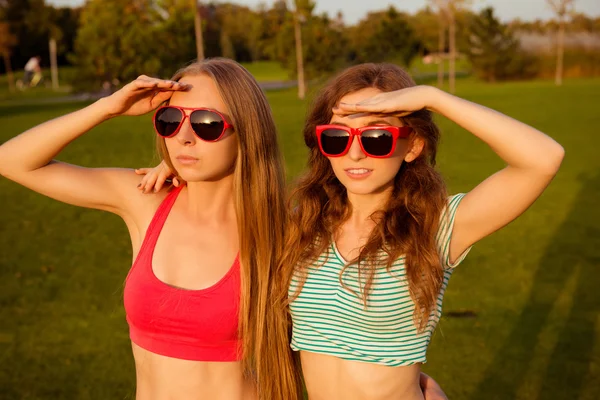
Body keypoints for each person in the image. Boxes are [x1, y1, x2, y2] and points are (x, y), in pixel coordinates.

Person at [0, 58, 301, 400]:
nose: (184, 138)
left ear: (248, 129)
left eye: (206, 123)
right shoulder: (145, 200)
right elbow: (12, 161)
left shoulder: (281, 229)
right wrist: (107, 108)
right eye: (171, 121)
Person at [275, 63, 564, 400]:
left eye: (377, 137)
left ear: (412, 146)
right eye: (337, 137)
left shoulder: (437, 226)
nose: (354, 152)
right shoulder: (303, 224)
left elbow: (543, 159)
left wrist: (433, 97)